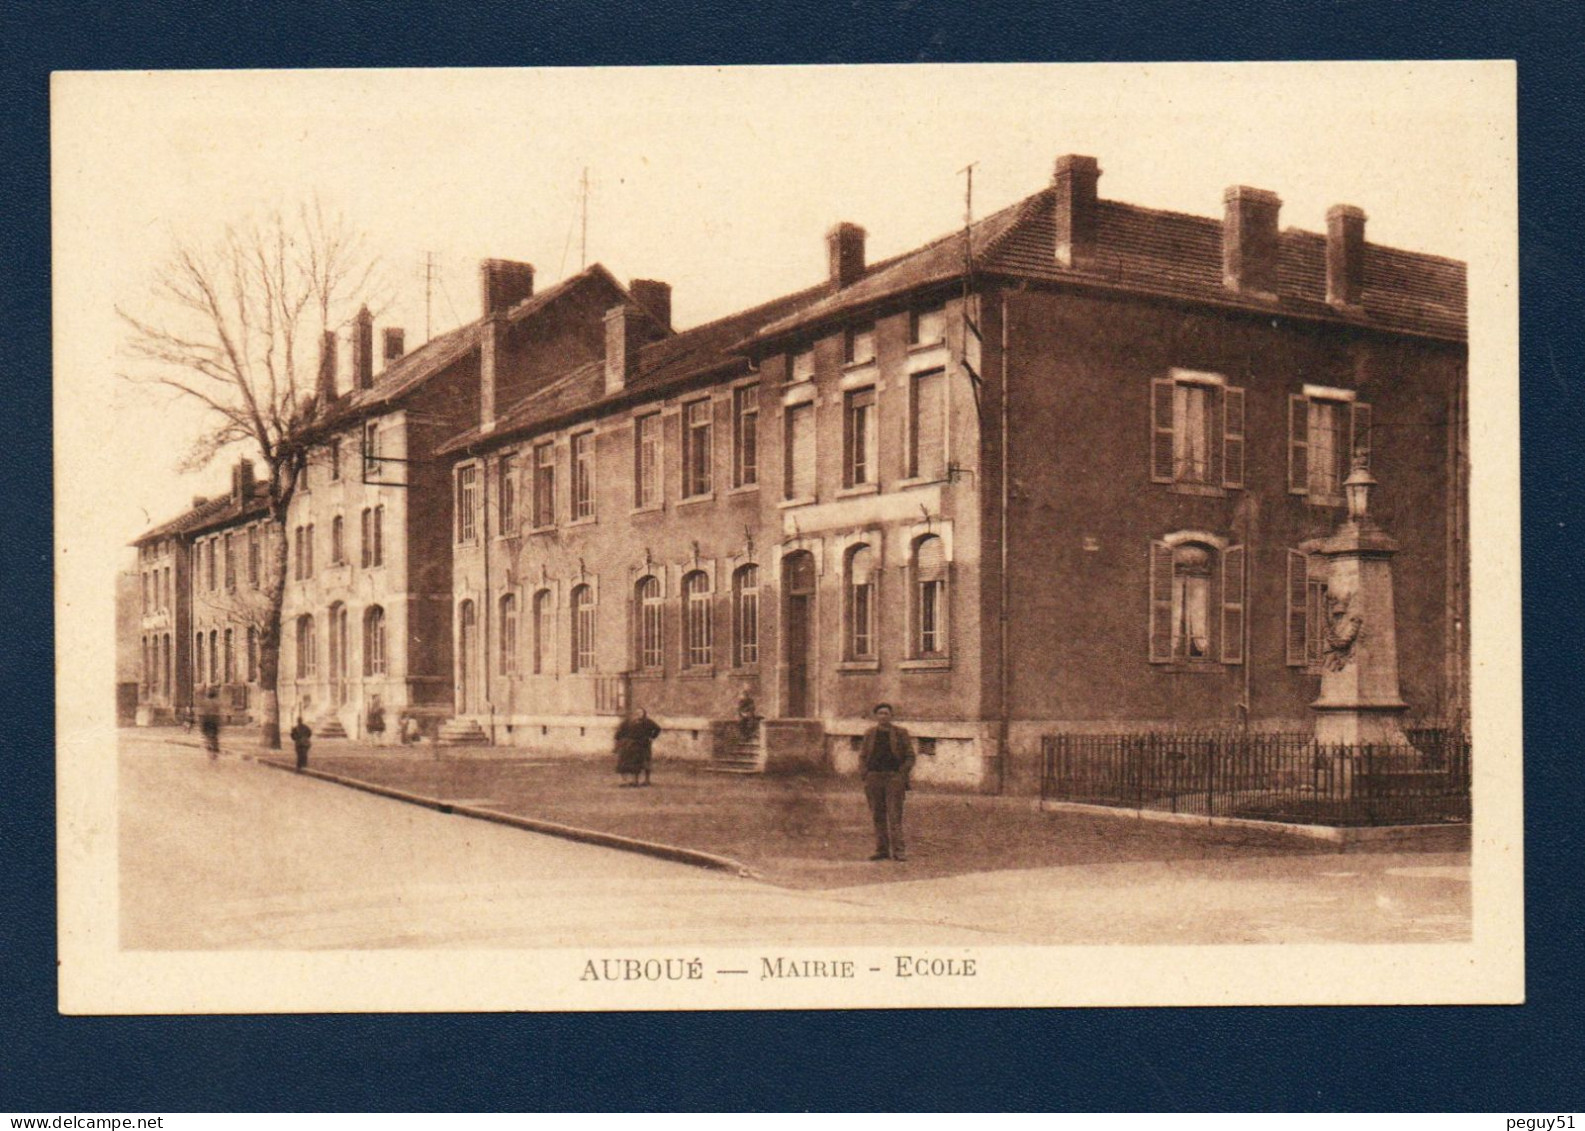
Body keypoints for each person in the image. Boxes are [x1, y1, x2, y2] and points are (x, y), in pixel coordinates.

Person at [858, 703, 917, 861]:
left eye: (886, 713)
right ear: (876, 716)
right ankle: (882, 850)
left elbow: (910, 756)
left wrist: (901, 774)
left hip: (893, 778)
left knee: (894, 815)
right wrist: (865, 774)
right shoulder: (870, 733)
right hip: (874, 778)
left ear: (891, 716)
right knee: (877, 815)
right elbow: (863, 756)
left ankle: (899, 851)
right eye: (880, 714)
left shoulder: (900, 733)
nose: (883, 716)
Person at [614, 707, 662, 787]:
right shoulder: (629, 722)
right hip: (632, 745)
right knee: (634, 762)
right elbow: (619, 732)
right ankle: (632, 781)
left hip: (644, 744)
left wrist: (652, 737)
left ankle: (647, 780)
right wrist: (620, 741)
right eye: (637, 713)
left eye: (641, 713)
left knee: (646, 761)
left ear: (644, 714)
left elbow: (657, 729)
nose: (638, 714)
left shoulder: (648, 722)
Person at [198, 687, 222, 761]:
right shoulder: (217, 702)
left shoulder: (205, 702)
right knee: (214, 735)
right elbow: (218, 712)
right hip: (214, 719)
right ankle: (215, 747)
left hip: (207, 720)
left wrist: (201, 722)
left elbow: (202, 712)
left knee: (207, 735)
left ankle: (209, 748)